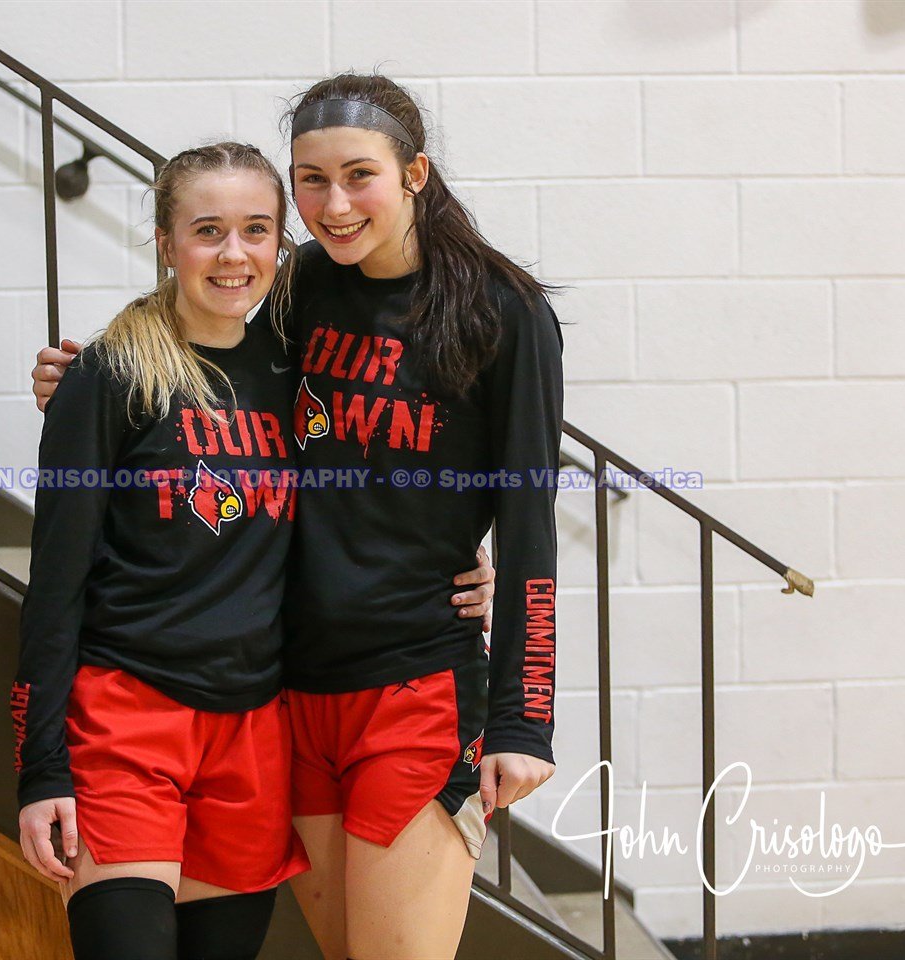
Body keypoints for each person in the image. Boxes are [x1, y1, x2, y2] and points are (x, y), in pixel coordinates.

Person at [34, 74, 564, 960]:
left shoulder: (503, 312)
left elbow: (530, 518)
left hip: (414, 684)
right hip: (290, 693)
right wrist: (91, 379)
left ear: (415, 174)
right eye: (311, 180)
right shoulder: (305, 283)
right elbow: (213, 358)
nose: (334, 205)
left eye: (359, 176)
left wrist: (524, 716)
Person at [12, 142, 310, 960]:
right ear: (166, 241)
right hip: (126, 721)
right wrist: (41, 769)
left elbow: (369, 508)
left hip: (252, 731)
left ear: (279, 244)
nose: (233, 253)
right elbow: (55, 583)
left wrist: (472, 558)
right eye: (208, 230)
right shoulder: (108, 377)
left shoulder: (296, 374)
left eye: (256, 230)